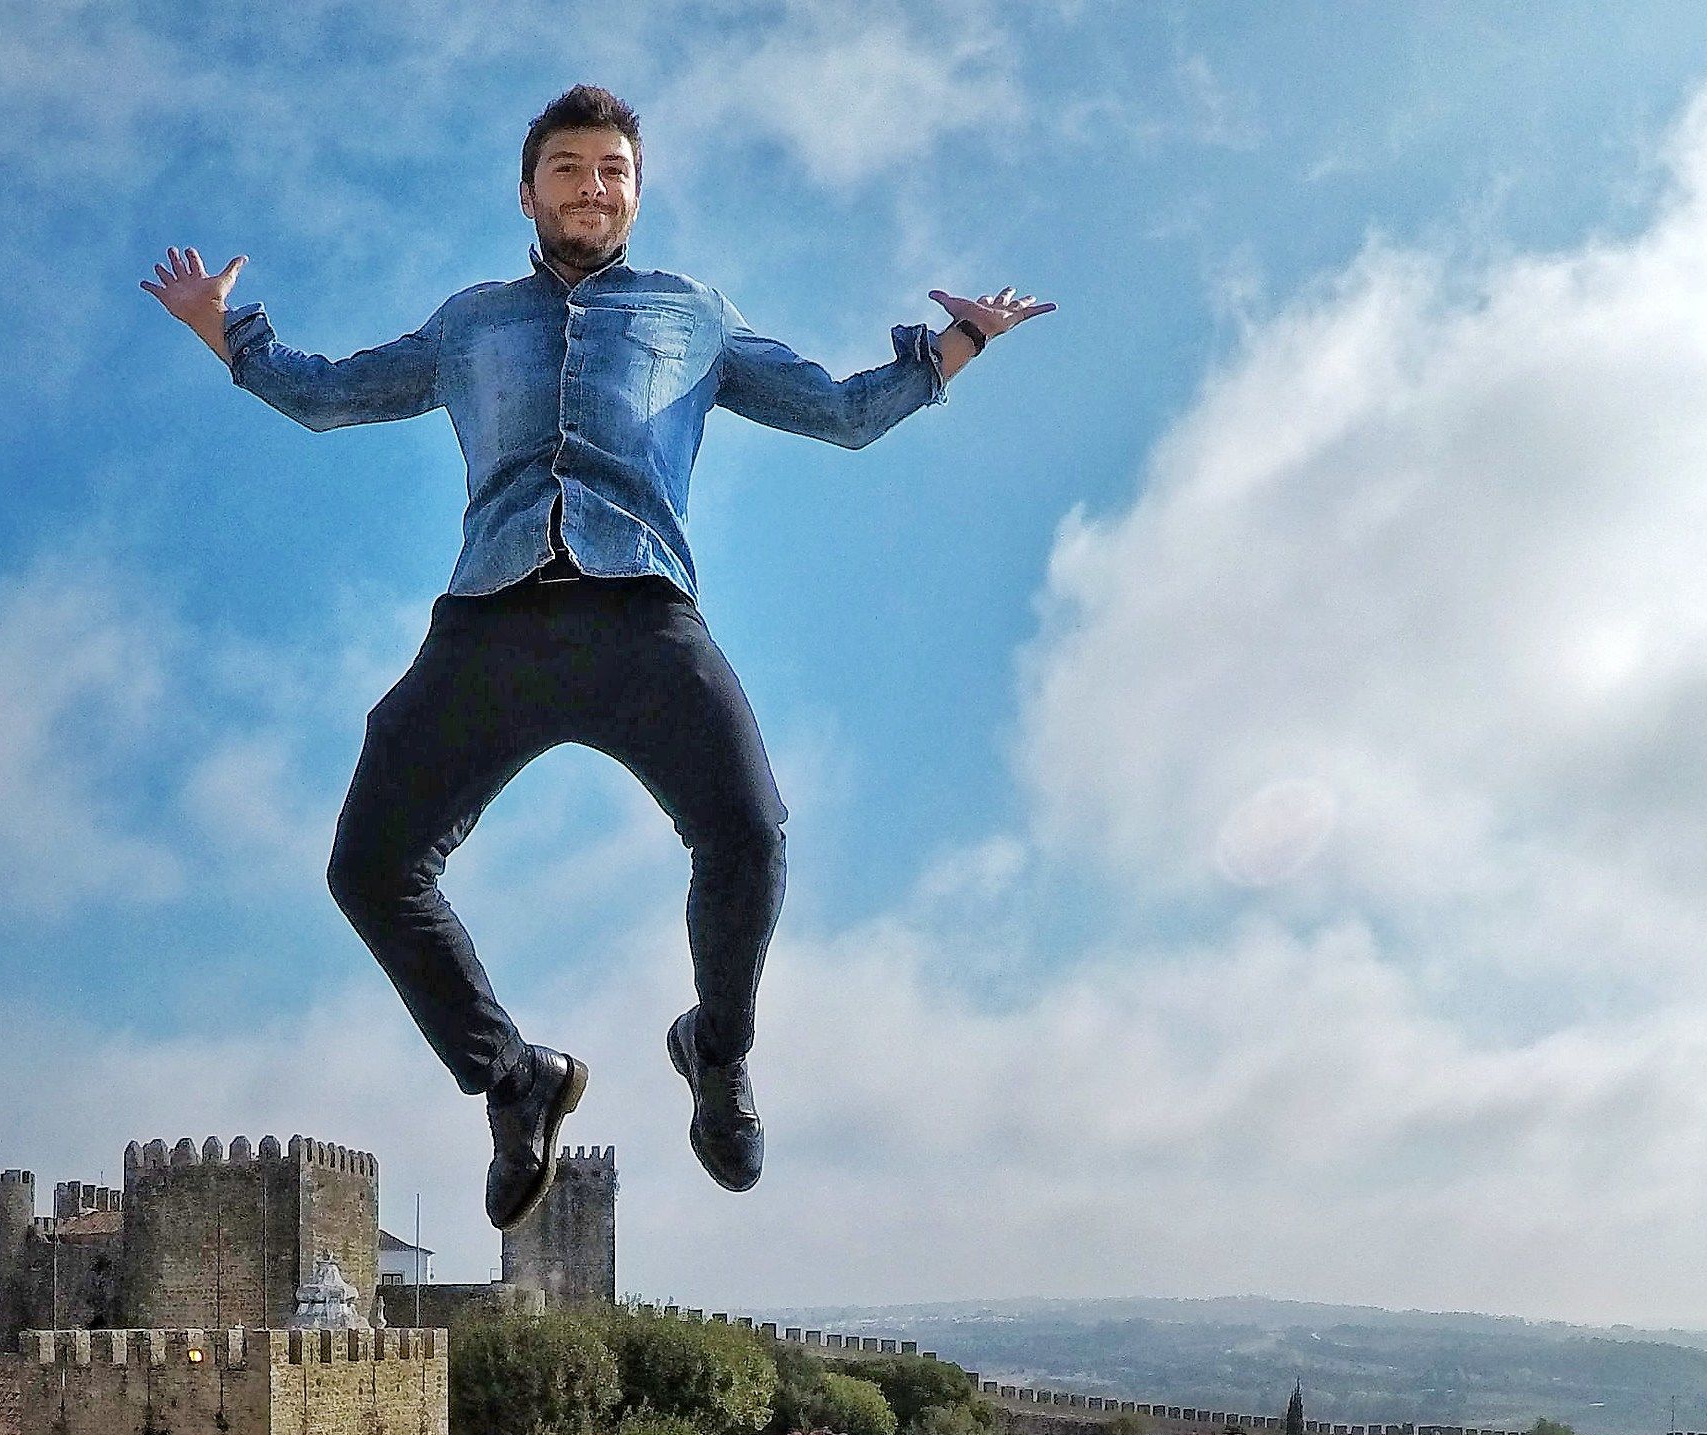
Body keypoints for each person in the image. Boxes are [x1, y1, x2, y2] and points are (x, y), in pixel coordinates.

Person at [143, 84, 1051, 1231]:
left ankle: (716, 1054)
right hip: (492, 622)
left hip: (641, 618)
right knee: (369, 869)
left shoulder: (693, 317)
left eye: (613, 169)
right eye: (568, 167)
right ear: (528, 192)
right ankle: (515, 1078)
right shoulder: (470, 323)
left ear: (637, 191)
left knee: (750, 833)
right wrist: (228, 331)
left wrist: (961, 344)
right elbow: (330, 398)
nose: (592, 185)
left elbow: (837, 412)